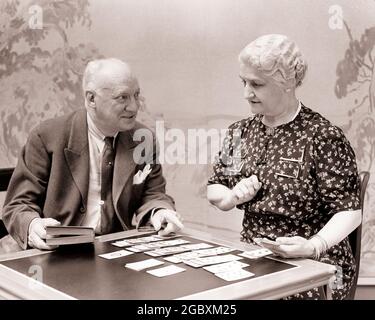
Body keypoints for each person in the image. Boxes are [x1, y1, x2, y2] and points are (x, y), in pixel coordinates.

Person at [207, 34, 361, 300]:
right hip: (254, 256)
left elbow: (350, 212)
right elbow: (215, 188)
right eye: (243, 82)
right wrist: (232, 196)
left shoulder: (322, 136)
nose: (246, 93)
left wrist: (313, 246)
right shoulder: (239, 132)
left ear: (287, 83)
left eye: (256, 84)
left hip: (314, 262)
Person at [2, 58, 183, 251]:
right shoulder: (46, 136)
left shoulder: (143, 139)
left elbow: (153, 193)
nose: (134, 107)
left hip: (117, 251)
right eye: (122, 97)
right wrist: (33, 226)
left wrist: (159, 212)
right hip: (57, 253)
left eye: (136, 95)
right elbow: (18, 205)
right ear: (91, 99)